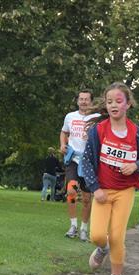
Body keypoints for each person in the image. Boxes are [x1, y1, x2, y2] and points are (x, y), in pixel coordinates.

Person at [81, 82, 139, 275]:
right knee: (97, 235)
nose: (113, 105)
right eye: (109, 101)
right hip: (102, 191)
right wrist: (95, 188)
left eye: (118, 101)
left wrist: (135, 166)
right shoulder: (98, 130)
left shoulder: (137, 133)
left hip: (124, 191)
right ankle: (102, 249)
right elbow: (86, 161)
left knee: (117, 236)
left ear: (127, 104)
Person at [60, 90, 101, 241]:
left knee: (86, 198)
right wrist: (63, 144)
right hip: (73, 158)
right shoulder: (70, 116)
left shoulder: (97, 118)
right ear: (77, 101)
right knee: (71, 191)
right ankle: (73, 226)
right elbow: (64, 132)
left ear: (91, 101)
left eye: (86, 99)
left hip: (88, 161)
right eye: (81, 99)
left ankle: (84, 228)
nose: (83, 101)